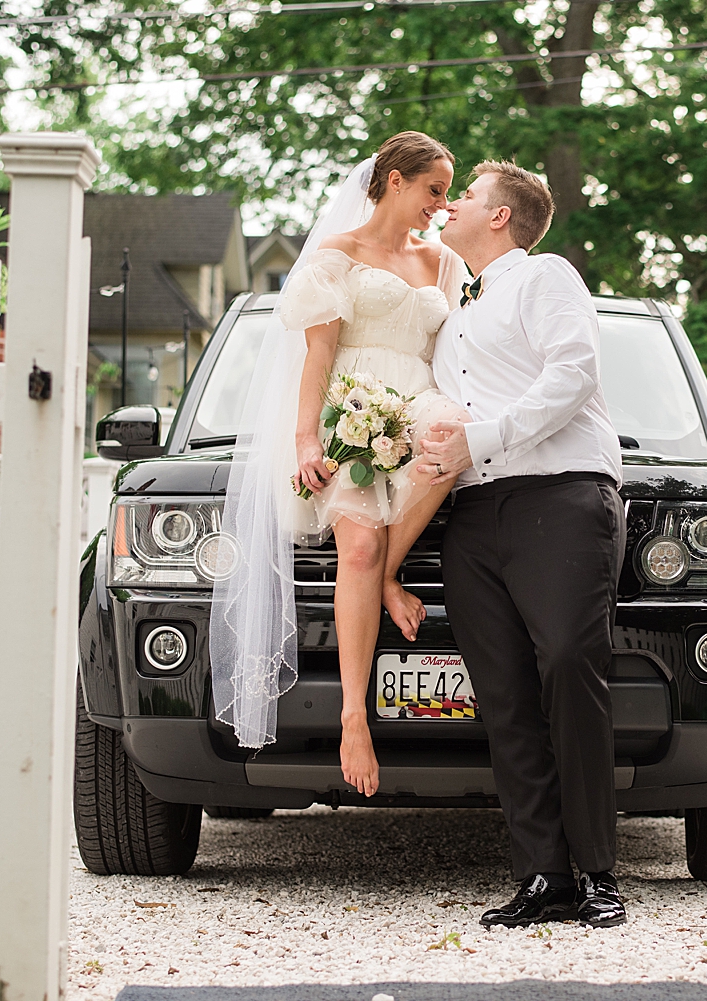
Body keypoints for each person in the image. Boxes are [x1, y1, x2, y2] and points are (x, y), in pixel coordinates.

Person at [208, 132, 468, 798]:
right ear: (394, 181)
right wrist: (304, 442)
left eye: (446, 193)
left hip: (419, 402)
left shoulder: (443, 262)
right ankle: (355, 715)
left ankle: (387, 579)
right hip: (350, 405)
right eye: (434, 190)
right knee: (355, 543)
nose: (440, 206)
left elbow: (467, 352)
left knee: (450, 434)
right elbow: (318, 360)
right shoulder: (335, 256)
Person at [420, 162, 628, 928]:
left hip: (560, 494)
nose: (451, 206)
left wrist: (483, 437)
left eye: (464, 196)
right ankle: (545, 876)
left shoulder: (545, 278)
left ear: (501, 216)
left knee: (572, 668)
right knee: (503, 696)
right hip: (472, 515)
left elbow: (573, 372)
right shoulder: (454, 308)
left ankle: (600, 873)